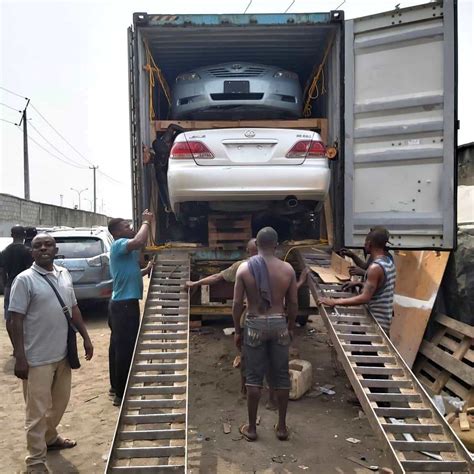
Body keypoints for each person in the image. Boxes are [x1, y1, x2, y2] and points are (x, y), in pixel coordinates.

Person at [8, 233, 93, 474]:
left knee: (60, 403)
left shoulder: (63, 274)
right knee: (36, 412)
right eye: (38, 246)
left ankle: (50, 437)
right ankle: (35, 461)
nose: (43, 248)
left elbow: (73, 307)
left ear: (56, 250)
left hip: (63, 353)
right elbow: (15, 320)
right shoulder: (24, 280)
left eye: (48, 245)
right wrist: (20, 356)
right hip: (37, 359)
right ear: (32, 252)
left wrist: (86, 337)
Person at [233, 227, 297, 442]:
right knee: (280, 376)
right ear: (276, 245)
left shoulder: (244, 269)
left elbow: (235, 305)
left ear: (256, 245)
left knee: (253, 378)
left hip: (254, 325)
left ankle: (251, 428)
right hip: (279, 323)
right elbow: (294, 304)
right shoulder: (287, 269)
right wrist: (291, 326)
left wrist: (237, 330)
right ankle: (281, 427)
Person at [107, 211, 154, 406]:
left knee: (117, 348)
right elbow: (138, 241)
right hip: (125, 306)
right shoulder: (119, 245)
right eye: (126, 226)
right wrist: (146, 222)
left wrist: (146, 269)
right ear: (117, 232)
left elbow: (130, 273)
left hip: (119, 303)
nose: (131, 228)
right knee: (126, 349)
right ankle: (121, 394)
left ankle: (115, 387)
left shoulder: (123, 252)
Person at [319, 228, 396, 334]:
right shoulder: (388, 261)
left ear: (369, 244)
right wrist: (360, 283)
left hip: (374, 324)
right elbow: (382, 286)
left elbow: (365, 298)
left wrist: (334, 302)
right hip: (384, 322)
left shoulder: (375, 267)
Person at [1, 225, 33, 351]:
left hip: (9, 286)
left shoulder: (5, 251)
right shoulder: (28, 251)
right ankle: (25, 346)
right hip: (26, 286)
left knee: (10, 318)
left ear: (11, 235)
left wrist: (5, 284)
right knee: (26, 317)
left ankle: (16, 347)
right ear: (24, 235)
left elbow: (2, 270)